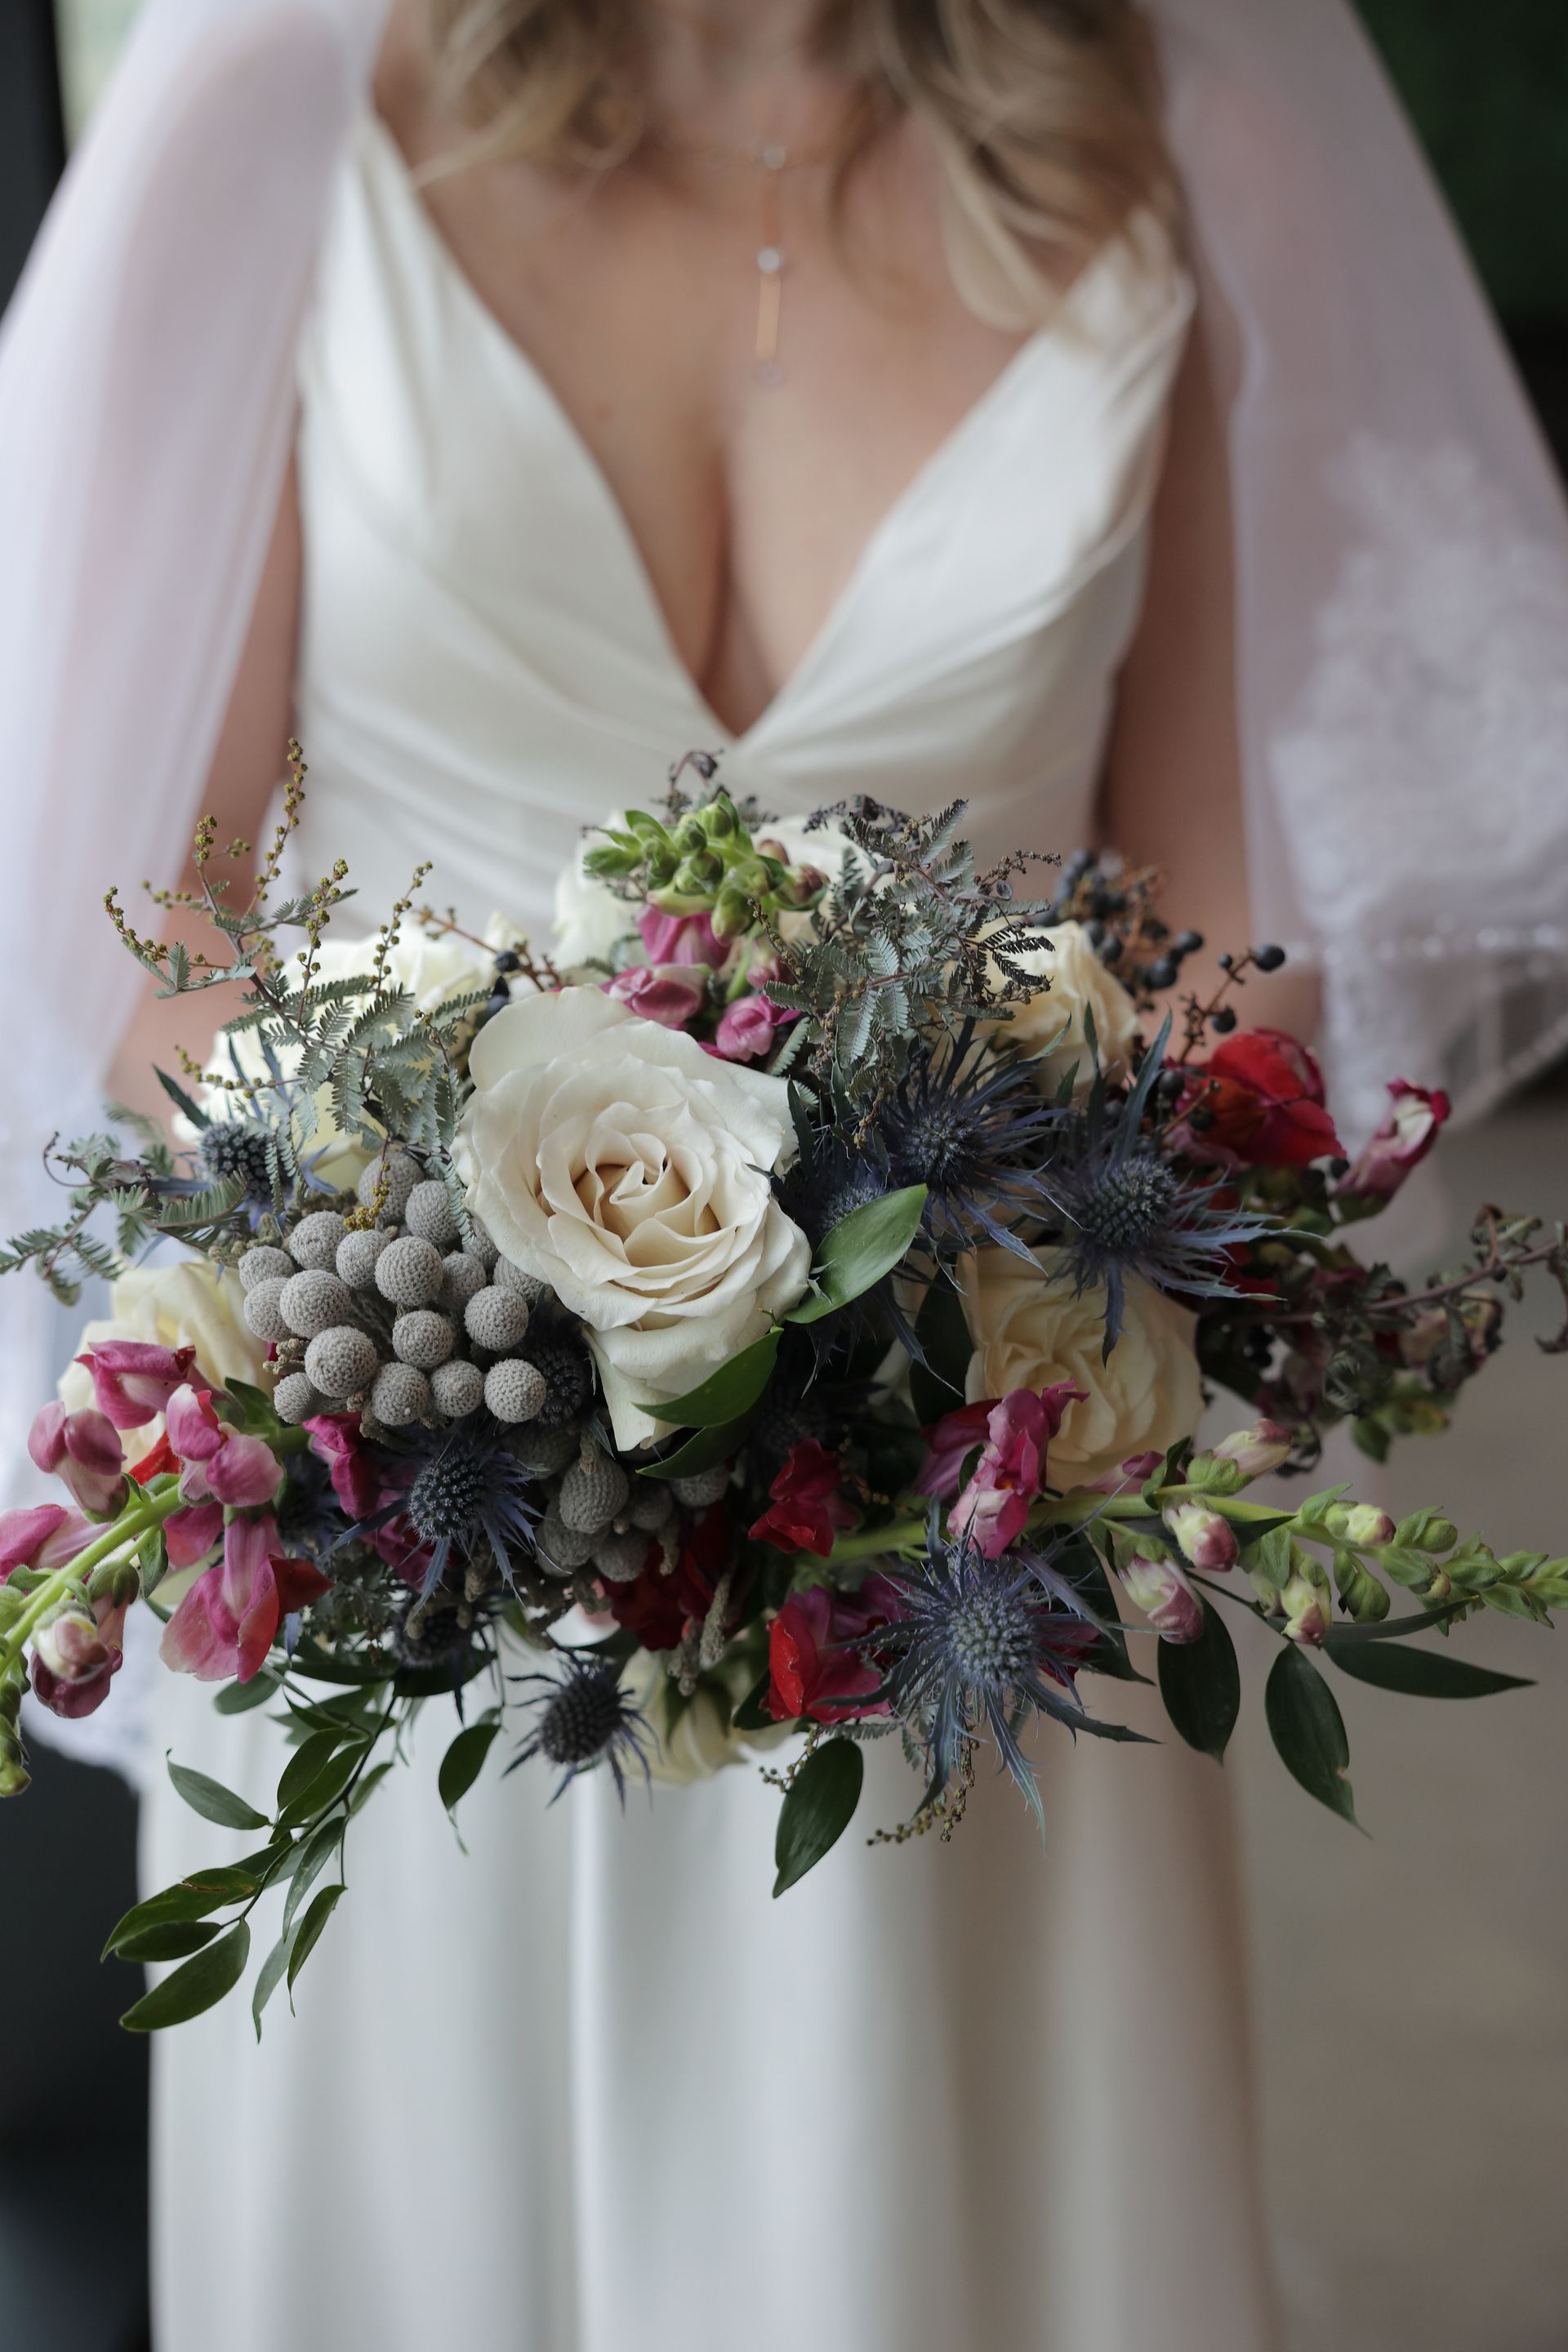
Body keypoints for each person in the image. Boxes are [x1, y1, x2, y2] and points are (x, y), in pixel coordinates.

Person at [5, 3, 1567, 2348]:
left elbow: (1223, 953)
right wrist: (490, 1269)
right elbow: (154, 928)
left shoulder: (1178, 123)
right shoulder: (293, 103)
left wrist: (893, 1313)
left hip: (961, 1514)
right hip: (420, 1498)